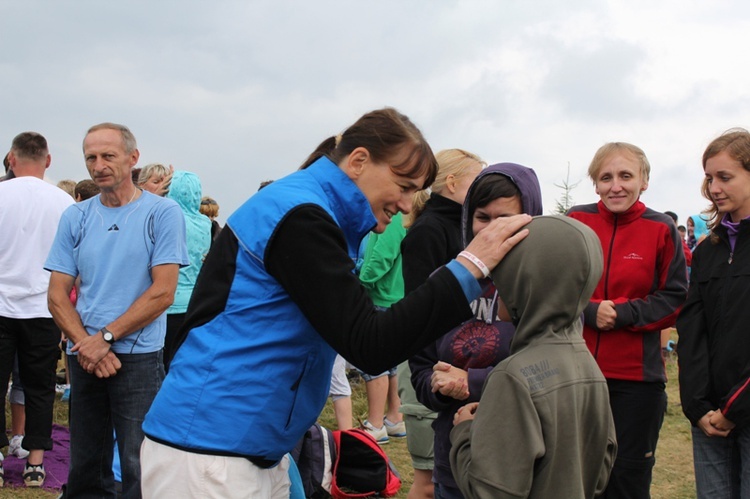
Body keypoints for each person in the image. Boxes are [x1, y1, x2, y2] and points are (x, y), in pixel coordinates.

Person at [140, 107, 532, 498]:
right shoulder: (300, 216)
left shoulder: (311, 210)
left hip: (243, 443)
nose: (409, 205)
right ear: (359, 161)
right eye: (405, 185)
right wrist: (470, 265)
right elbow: (369, 343)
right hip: (212, 450)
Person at [45, 122, 188, 499]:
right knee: (86, 461)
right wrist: (86, 344)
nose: (99, 165)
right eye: (91, 157)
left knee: (139, 459)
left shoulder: (162, 213)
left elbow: (163, 292)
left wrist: (106, 337)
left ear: (132, 158)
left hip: (137, 357)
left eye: (108, 155)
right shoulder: (75, 217)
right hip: (85, 355)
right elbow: (57, 295)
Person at [450, 215, 618, 499]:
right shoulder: (588, 363)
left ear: (527, 282)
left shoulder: (513, 376)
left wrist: (465, 432)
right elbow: (601, 470)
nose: (497, 288)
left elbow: (489, 491)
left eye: (505, 273)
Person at [410, 162, 543, 499]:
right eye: (482, 217)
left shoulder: (546, 285)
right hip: (454, 456)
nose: (490, 230)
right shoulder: (447, 280)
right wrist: (440, 386)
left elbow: (549, 367)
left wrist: (471, 382)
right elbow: (421, 365)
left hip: (523, 462)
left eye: (504, 219)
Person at [567, 142, 688, 498]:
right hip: (576, 375)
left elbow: (675, 298)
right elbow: (555, 286)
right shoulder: (576, 220)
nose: (615, 186)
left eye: (625, 175)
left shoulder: (661, 228)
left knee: (627, 481)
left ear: (644, 181)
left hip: (637, 382)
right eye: (606, 177)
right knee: (574, 479)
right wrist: (590, 310)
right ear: (595, 184)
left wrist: (621, 313)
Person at [400, 148, 484, 499]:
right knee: (429, 482)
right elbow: (423, 307)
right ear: (452, 181)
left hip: (459, 365)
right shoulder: (430, 231)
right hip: (432, 367)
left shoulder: (465, 227)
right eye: (477, 180)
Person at [676, 128, 750, 498]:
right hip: (709, 416)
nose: (714, 187)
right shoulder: (708, 251)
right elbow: (691, 333)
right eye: (709, 178)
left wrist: (737, 407)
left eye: (725, 177)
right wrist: (697, 406)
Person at [0, 132, 75, 487]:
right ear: (48, 161)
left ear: (11, 159)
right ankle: (35, 462)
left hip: (2, 305)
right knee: (41, 387)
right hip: (45, 309)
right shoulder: (64, 203)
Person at [358, 211, 408, 445]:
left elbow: (383, 255)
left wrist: (362, 281)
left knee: (374, 361)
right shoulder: (407, 215)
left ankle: (376, 424)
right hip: (397, 297)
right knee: (392, 364)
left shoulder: (395, 216)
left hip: (381, 296)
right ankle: (394, 418)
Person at [162, 170, 212, 371]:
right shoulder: (205, 223)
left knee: (164, 361)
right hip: (195, 300)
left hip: (169, 301)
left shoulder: (168, 219)